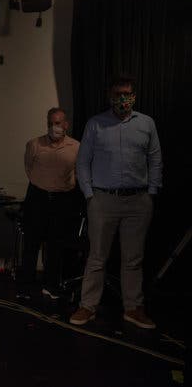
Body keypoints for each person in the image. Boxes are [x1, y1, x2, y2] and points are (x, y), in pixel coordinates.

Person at [70, 75, 162, 329]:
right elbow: (82, 162)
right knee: (97, 256)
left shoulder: (147, 124)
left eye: (128, 93)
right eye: (119, 93)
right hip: (103, 200)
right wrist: (90, 194)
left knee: (134, 258)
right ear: (110, 96)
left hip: (139, 201)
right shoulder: (95, 124)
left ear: (134, 95)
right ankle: (88, 306)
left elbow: (155, 159)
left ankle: (133, 308)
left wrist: (152, 191)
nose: (124, 98)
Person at [17, 107, 81, 300]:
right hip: (37, 197)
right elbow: (28, 167)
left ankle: (50, 286)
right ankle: (25, 287)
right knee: (31, 244)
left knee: (55, 245)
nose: (55, 127)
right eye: (51, 123)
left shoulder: (76, 147)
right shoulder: (34, 144)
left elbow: (78, 172)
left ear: (66, 124)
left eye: (58, 123)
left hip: (62, 200)